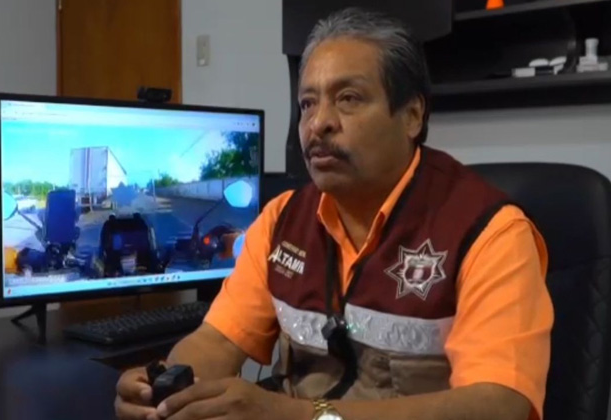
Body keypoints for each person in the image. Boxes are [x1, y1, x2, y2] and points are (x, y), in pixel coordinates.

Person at [115, 7, 553, 420]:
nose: (318, 123)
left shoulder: (489, 232)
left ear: (412, 116)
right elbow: (217, 340)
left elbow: (500, 405)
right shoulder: (282, 221)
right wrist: (166, 388)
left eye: (348, 99)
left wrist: (301, 416)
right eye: (308, 103)